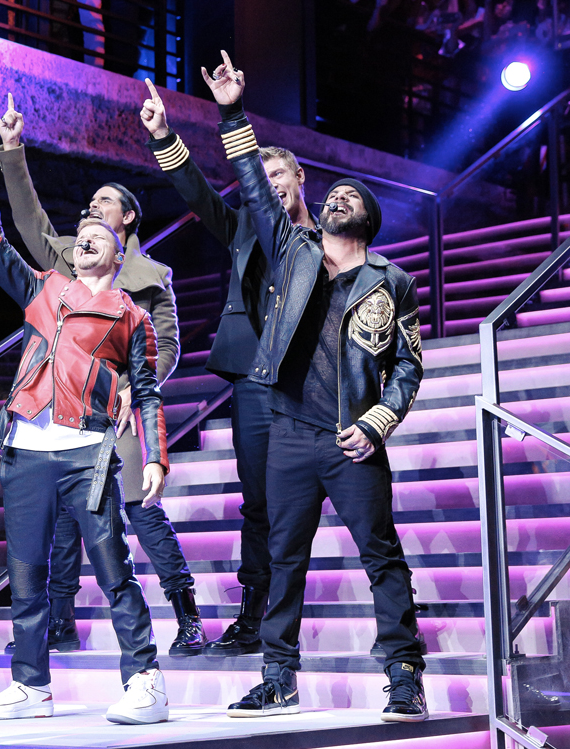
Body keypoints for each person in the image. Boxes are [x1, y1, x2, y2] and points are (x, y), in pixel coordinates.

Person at [200, 52, 428, 722]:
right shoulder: (292, 251)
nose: (338, 198)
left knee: (380, 555)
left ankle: (404, 674)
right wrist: (233, 112)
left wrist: (379, 421)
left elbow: (409, 365)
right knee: (284, 557)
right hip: (290, 431)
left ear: (369, 220)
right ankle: (278, 676)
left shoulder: (392, 281)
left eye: (352, 197)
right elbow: (252, 183)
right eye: (333, 195)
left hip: (352, 435)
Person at [0, 118, 169, 724]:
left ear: (119, 251)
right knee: (26, 572)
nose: (85, 238)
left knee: (112, 567)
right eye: (80, 234)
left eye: (97, 234)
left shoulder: (131, 315)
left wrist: (155, 456)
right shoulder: (44, 288)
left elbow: (148, 392)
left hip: (88, 451)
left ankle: (146, 680)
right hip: (26, 446)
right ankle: (31, 684)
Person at [0, 94, 204, 657]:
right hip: (65, 409)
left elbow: (166, 346)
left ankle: (186, 616)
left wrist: (135, 387)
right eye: (89, 203)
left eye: (104, 202)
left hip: (121, 408)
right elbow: (28, 221)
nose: (92, 207)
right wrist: (13, 151)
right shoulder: (67, 260)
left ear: (128, 218)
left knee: (139, 506)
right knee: (65, 515)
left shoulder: (151, 276)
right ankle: (60, 622)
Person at [139, 78, 316, 657]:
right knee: (259, 500)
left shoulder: (326, 237)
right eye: (260, 177)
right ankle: (255, 616)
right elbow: (196, 191)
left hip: (311, 381)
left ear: (300, 178)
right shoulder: (242, 226)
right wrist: (163, 136)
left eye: (278, 174)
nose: (269, 184)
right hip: (254, 380)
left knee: (309, 499)